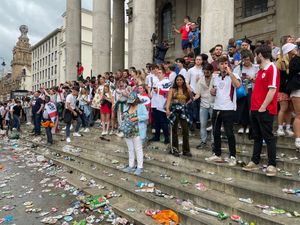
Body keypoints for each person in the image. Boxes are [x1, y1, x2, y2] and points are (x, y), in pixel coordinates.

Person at [243, 45, 280, 177]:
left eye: (256, 55)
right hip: (254, 108)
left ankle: (272, 164)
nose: (255, 57)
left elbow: (272, 90)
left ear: (260, 55)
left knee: (268, 137)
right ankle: (254, 160)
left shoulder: (272, 68)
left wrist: (263, 107)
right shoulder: (261, 70)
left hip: (265, 109)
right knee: (257, 137)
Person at [206, 56, 241, 166]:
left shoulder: (234, 75)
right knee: (215, 132)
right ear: (218, 65)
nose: (224, 65)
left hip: (228, 108)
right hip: (217, 107)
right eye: (221, 63)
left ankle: (233, 156)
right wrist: (213, 91)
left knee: (229, 132)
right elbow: (215, 90)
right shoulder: (216, 77)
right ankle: (217, 153)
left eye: (226, 63)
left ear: (228, 65)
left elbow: (238, 85)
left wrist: (230, 73)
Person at [121, 91, 148, 176]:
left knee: (138, 149)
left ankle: (140, 167)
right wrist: (123, 116)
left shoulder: (141, 106)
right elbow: (124, 115)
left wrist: (136, 118)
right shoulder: (127, 106)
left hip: (137, 130)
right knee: (130, 149)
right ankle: (131, 165)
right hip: (127, 130)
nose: (131, 103)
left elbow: (146, 116)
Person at [166, 75, 193, 156]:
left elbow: (192, 98)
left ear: (183, 81)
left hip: (184, 111)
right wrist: (167, 109)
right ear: (175, 81)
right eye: (177, 80)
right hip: (174, 110)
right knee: (174, 130)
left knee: (185, 130)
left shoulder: (186, 90)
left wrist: (189, 89)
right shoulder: (172, 89)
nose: (179, 81)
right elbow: (169, 100)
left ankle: (186, 150)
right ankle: (175, 149)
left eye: (181, 80)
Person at [233, 49, 259, 134]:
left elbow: (259, 80)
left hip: (252, 89)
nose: (246, 61)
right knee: (241, 108)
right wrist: (240, 79)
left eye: (247, 59)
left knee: (250, 108)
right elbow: (233, 79)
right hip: (241, 90)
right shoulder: (238, 68)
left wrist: (250, 78)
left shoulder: (256, 67)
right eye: (244, 59)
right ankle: (242, 125)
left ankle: (249, 126)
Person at [283, 42, 300, 150]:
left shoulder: (295, 60)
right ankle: (298, 138)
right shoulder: (294, 61)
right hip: (297, 90)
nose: (296, 48)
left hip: (296, 89)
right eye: (295, 47)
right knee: (299, 114)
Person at [194, 63, 215, 149]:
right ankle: (203, 141)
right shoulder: (200, 80)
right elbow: (198, 93)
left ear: (211, 71)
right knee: (203, 124)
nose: (205, 73)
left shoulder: (215, 79)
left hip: (214, 104)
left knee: (214, 125)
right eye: (204, 72)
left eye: (207, 72)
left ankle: (214, 142)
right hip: (203, 104)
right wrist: (193, 98)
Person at [149, 66, 172, 144]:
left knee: (163, 122)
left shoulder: (167, 81)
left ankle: (167, 138)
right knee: (156, 122)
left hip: (162, 105)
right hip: (155, 104)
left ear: (164, 74)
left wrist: (158, 90)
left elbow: (168, 93)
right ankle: (157, 136)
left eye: (160, 73)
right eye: (157, 73)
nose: (158, 74)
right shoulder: (156, 81)